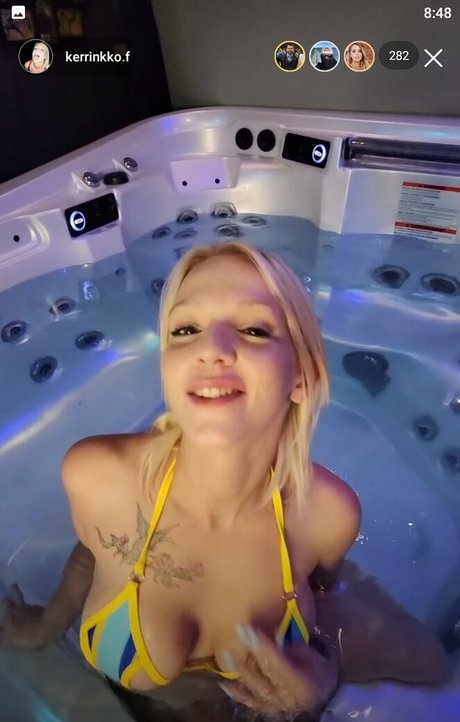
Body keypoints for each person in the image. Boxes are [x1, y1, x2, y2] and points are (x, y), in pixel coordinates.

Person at [0, 242, 449, 720]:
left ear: (301, 377)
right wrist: (46, 626)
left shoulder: (328, 514)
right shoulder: (96, 474)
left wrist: (321, 679)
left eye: (254, 329)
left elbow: (325, 600)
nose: (209, 349)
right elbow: (93, 552)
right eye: (185, 329)